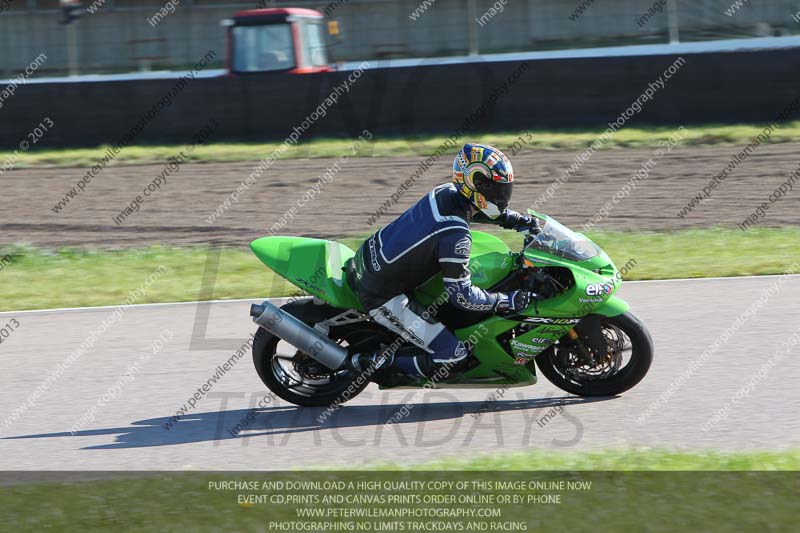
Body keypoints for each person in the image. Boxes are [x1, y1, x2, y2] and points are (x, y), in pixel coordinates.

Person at [345, 143, 538, 378]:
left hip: (370, 258)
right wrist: (504, 300)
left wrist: (521, 221)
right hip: (381, 295)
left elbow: (481, 211)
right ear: (475, 185)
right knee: (452, 356)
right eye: (494, 188)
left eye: (504, 188)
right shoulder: (456, 235)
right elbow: (462, 296)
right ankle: (366, 363)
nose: (501, 196)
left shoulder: (446, 192)